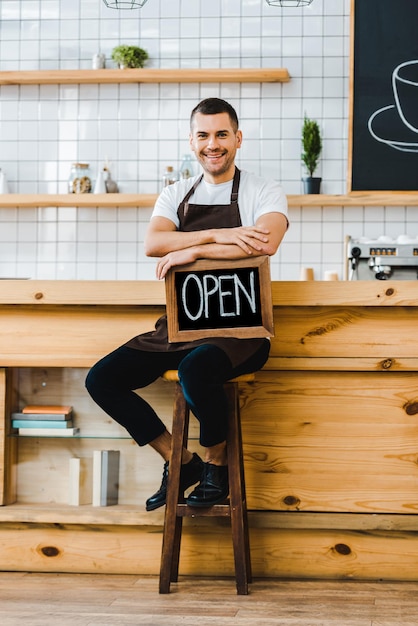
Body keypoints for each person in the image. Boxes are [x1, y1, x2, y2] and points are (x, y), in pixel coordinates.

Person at [85, 97, 288, 510]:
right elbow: (155, 244)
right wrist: (217, 237)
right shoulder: (175, 194)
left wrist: (186, 252)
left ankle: (216, 464)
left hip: (241, 331)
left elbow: (264, 243)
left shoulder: (263, 190)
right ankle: (179, 458)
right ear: (191, 142)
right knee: (101, 380)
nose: (212, 144)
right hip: (181, 326)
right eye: (203, 135)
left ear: (238, 138)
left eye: (221, 134)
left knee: (196, 370)